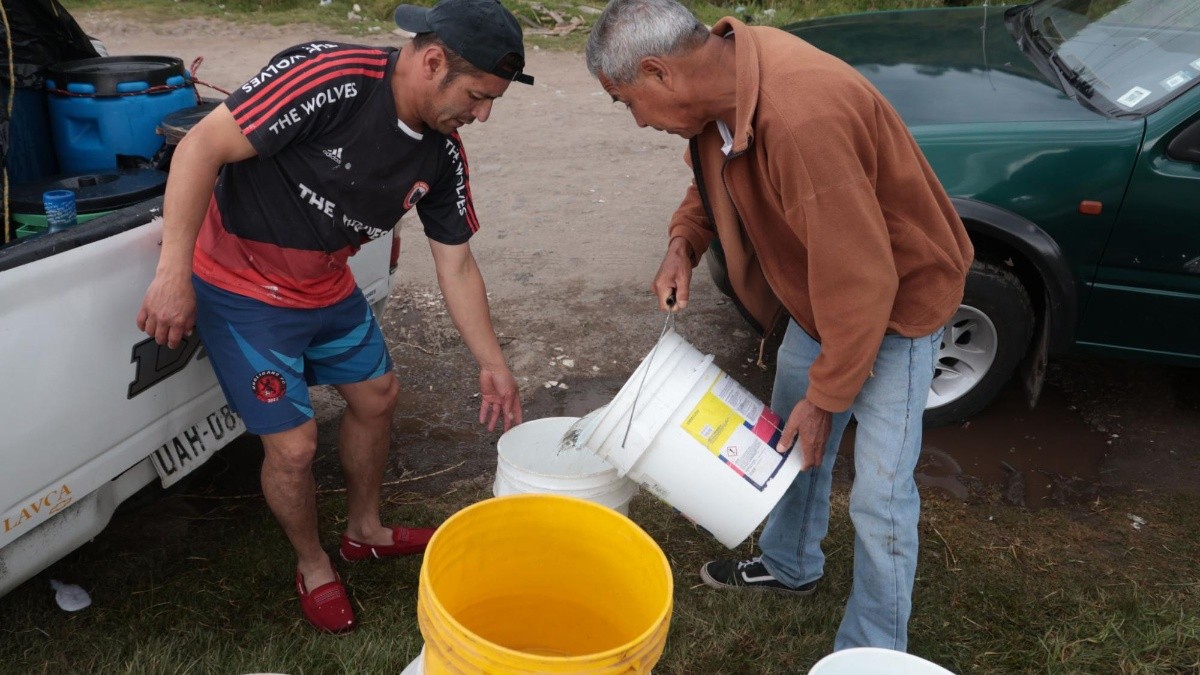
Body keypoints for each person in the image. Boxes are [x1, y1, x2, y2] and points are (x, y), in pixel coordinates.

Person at [585, 0, 973, 652]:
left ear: (658, 73)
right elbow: (712, 183)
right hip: (822, 298)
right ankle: (792, 564)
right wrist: (683, 242)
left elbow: (865, 282)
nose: (636, 119)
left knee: (879, 496)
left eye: (625, 101)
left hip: (899, 308)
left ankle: (874, 651)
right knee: (788, 446)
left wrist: (827, 399)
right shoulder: (723, 90)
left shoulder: (802, 118)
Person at [136, 0, 529, 633]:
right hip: (242, 288)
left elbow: (456, 265)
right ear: (432, 62)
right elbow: (201, 149)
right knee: (293, 448)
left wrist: (494, 364)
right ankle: (314, 564)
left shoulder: (441, 154)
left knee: (378, 396)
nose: (481, 115)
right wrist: (172, 273)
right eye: (479, 96)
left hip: (323, 283)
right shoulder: (328, 76)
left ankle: (364, 530)